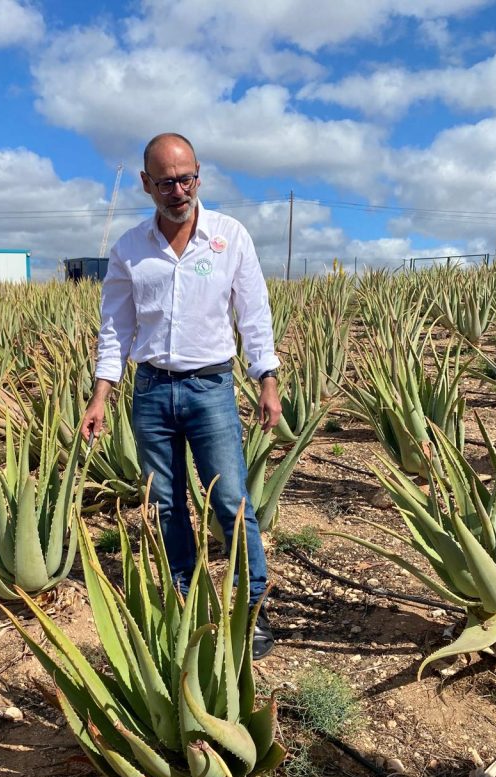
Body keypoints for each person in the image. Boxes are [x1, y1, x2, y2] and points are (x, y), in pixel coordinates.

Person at [81, 132, 281, 659]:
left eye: (187, 177)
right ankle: (187, 603)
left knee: (232, 501)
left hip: (211, 388)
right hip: (150, 391)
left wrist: (267, 379)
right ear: (146, 184)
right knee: (166, 505)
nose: (179, 189)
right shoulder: (128, 249)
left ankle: (253, 609)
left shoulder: (230, 236)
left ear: (199, 176)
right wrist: (102, 395)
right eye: (166, 181)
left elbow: (253, 314)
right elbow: (115, 329)